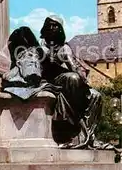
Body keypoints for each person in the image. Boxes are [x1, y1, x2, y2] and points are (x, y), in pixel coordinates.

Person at [40, 16, 102, 147]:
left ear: (61, 29)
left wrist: (68, 58)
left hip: (70, 82)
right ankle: (73, 130)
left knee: (96, 96)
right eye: (49, 25)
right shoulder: (41, 45)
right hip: (50, 81)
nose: (52, 28)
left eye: (55, 25)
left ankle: (88, 137)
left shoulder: (64, 47)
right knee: (72, 78)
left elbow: (74, 67)